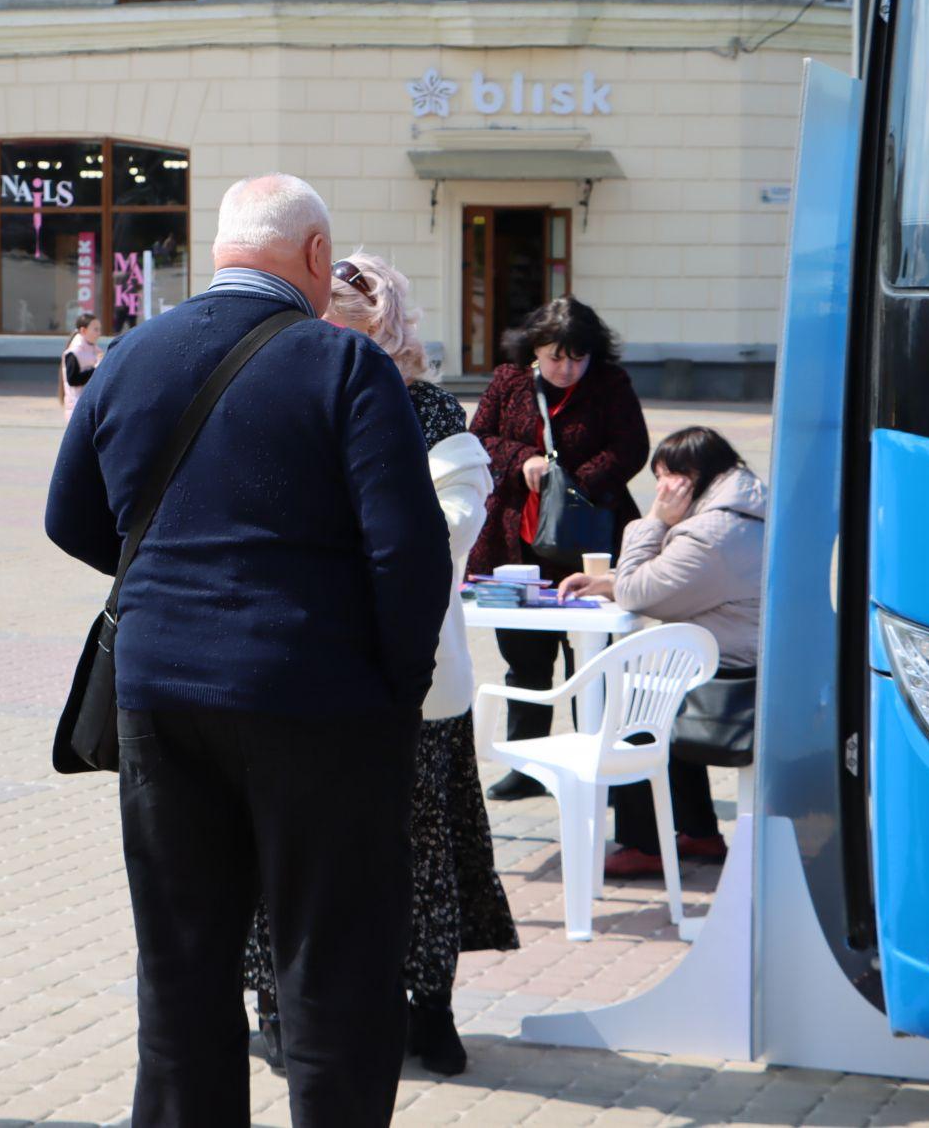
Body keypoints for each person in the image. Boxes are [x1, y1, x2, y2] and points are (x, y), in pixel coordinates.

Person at [45, 176, 451, 1128]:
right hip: (319, 700)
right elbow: (409, 553)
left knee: (181, 969)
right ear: (315, 256)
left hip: (160, 699)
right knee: (333, 970)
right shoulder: (346, 366)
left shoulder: (131, 355)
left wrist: (168, 581)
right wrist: (397, 689)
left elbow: (69, 517)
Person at [240, 251, 517, 1080]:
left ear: (388, 327)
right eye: (324, 319)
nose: (333, 335)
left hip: (411, 682)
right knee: (287, 848)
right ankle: (280, 1008)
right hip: (302, 677)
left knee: (418, 848)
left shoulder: (430, 411)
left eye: (353, 321)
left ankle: (427, 1012)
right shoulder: (289, 400)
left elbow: (447, 535)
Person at [561, 427, 766, 875]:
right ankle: (699, 832)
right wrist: (608, 582)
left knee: (636, 703)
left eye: (665, 479)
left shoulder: (711, 532)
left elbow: (639, 592)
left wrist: (653, 520)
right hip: (748, 663)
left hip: (733, 680)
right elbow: (679, 584)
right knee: (659, 683)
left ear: (691, 478)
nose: (660, 490)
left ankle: (645, 845)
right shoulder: (741, 513)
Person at [470, 296, 649, 801]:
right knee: (523, 654)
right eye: (555, 357)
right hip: (516, 539)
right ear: (534, 351)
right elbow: (478, 437)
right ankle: (527, 762)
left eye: (577, 357)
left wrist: (572, 487)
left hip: (591, 536)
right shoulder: (509, 381)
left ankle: (599, 758)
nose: (566, 368)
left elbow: (631, 446)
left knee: (595, 655)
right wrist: (523, 458)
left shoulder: (611, 384)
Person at [59, 313, 101, 418]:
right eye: (95, 329)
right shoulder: (74, 352)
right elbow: (73, 380)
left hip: (89, 406)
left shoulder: (96, 350)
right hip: (77, 408)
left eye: (99, 329)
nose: (99, 333)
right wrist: (96, 369)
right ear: (83, 331)